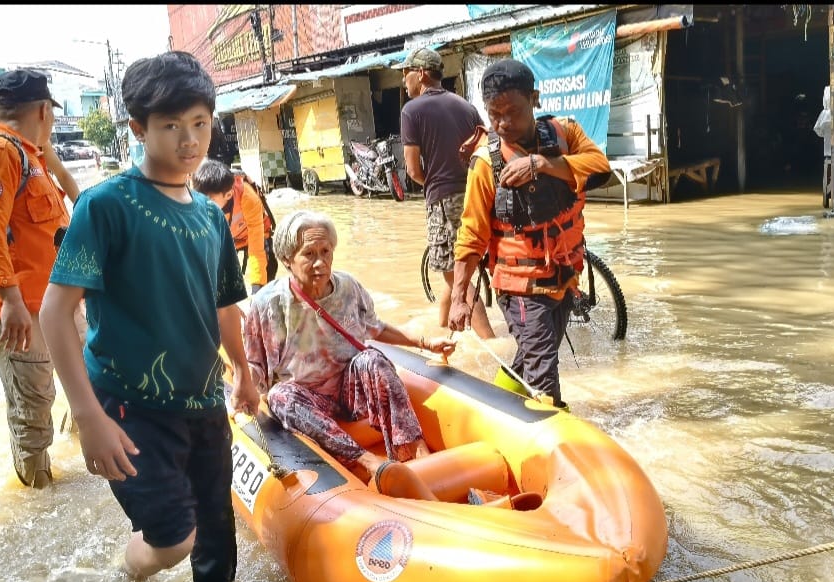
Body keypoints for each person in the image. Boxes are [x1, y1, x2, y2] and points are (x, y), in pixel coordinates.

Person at [39, 51, 250, 582]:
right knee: (174, 538)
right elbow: (56, 312)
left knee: (218, 551)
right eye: (172, 126)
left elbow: (226, 304)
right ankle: (126, 578)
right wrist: (88, 417)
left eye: (200, 124)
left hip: (204, 403)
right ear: (138, 128)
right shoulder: (105, 206)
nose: (189, 140)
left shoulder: (209, 214)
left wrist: (246, 373)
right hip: (130, 404)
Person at [243, 209, 456, 483]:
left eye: (326, 251)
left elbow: (374, 327)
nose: (320, 262)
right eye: (309, 254)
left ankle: (416, 452)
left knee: (373, 359)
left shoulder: (348, 289)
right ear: (287, 259)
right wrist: (241, 389)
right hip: (307, 400)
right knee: (280, 396)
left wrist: (425, 342)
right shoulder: (267, 304)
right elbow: (256, 366)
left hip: (351, 392)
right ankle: (367, 462)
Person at [447, 59, 612, 410]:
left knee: (536, 354)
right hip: (520, 288)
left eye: (513, 112)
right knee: (544, 379)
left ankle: (495, 406)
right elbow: (471, 235)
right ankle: (552, 443)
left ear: (534, 99)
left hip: (564, 277)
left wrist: (543, 164)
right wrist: (460, 296)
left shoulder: (565, 133)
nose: (504, 123)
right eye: (495, 114)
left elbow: (601, 168)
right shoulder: (484, 164)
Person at [0, 69, 70, 488]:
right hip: (18, 309)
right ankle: (38, 493)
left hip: (48, 305)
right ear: (44, 110)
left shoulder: (34, 156)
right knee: (32, 409)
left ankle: (70, 474)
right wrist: (10, 300)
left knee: (76, 386)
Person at [394, 48, 495, 339]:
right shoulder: (466, 106)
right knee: (452, 269)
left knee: (454, 273)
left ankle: (491, 342)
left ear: (422, 74)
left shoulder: (411, 111)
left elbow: (412, 171)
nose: (403, 80)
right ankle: (439, 330)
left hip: (444, 198)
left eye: (406, 73)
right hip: (478, 192)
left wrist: (433, 185)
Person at [192, 158, 270, 293]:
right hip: (226, 239)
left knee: (265, 286)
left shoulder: (248, 199)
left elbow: (256, 250)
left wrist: (257, 289)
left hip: (251, 236)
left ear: (228, 194)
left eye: (209, 201)